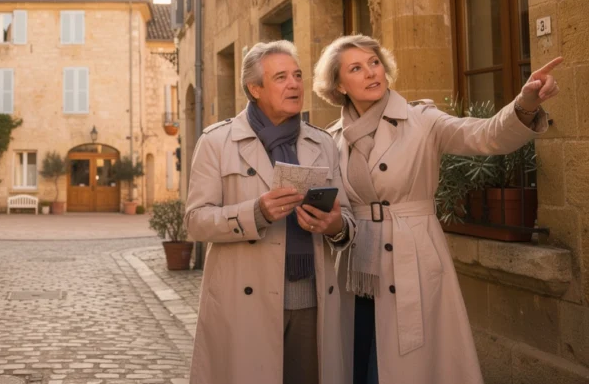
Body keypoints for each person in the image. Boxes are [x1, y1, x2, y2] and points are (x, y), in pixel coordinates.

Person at [312, 35, 560, 384]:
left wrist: (526, 103)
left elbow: (486, 135)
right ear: (339, 84)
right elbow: (336, 207)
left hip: (412, 257)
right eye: (356, 68)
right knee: (356, 361)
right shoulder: (331, 137)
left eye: (374, 62)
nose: (371, 72)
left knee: (410, 368)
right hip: (354, 270)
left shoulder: (421, 119)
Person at [185, 41, 356, 384]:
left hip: (312, 300)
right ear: (255, 88)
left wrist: (335, 224)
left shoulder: (322, 143)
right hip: (243, 301)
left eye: (297, 75)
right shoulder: (217, 142)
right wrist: (256, 213)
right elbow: (196, 222)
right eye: (281, 77)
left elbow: (347, 219)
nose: (294, 84)